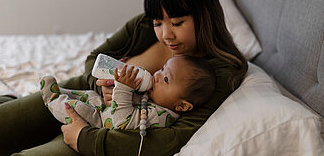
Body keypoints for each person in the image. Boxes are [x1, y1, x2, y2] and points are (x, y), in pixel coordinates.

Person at [0, 0, 248, 155]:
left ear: (204, 15)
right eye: (159, 23)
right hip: (79, 95)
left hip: (103, 130)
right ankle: (6, 101)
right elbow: (95, 58)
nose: (165, 34)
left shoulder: (220, 72)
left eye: (178, 23)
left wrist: (86, 139)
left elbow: (171, 139)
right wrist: (101, 84)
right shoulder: (148, 24)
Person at [41, 55, 215, 131]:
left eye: (166, 79)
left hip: (99, 124)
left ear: (182, 105)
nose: (157, 75)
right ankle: (62, 91)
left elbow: (123, 123)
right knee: (90, 95)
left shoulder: (161, 117)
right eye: (162, 69)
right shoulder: (157, 98)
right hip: (103, 109)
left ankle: (53, 98)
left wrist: (123, 88)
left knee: (78, 109)